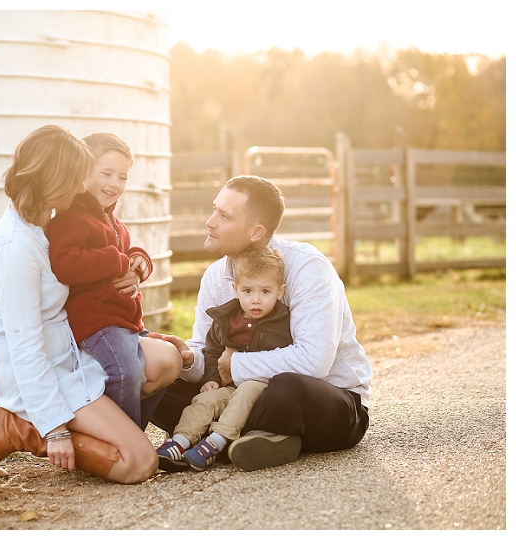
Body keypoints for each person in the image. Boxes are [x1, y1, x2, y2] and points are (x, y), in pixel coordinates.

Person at [0, 124, 179, 484]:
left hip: (69, 358)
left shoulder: (39, 228)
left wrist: (130, 271)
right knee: (138, 464)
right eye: (75, 178)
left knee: (163, 360)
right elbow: (24, 346)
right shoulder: (15, 249)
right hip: (42, 374)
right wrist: (54, 429)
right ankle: (17, 428)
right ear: (51, 178)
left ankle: (113, 433)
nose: (82, 187)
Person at [147, 175, 372, 473]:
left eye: (223, 216)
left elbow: (315, 361)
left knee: (286, 387)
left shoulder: (307, 267)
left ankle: (215, 437)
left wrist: (236, 364)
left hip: (325, 402)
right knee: (161, 376)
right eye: (214, 210)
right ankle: (254, 438)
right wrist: (188, 360)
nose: (209, 222)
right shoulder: (216, 277)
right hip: (234, 396)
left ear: (256, 232)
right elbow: (209, 355)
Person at [46, 132, 182, 427]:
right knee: (126, 373)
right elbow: (67, 263)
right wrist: (119, 261)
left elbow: (125, 254)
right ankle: (119, 444)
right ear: (83, 173)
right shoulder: (71, 217)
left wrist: (138, 263)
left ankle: (134, 435)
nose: (114, 184)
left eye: (122, 177)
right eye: (106, 173)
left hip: (123, 320)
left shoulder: (114, 223)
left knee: (174, 360)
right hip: (96, 321)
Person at [155, 245, 293, 472]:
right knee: (206, 400)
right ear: (236, 289)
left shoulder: (283, 322)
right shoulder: (225, 320)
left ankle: (216, 442)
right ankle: (180, 442)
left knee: (248, 389)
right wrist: (211, 378)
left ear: (280, 291)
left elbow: (290, 358)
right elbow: (212, 350)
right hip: (230, 387)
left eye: (265, 292)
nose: (256, 300)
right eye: (248, 291)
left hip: (263, 389)